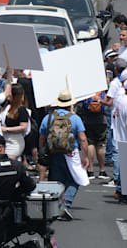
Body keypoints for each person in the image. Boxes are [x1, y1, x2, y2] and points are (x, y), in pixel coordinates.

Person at [39, 89, 89, 220]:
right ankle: (66, 204)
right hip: (71, 153)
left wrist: (42, 151)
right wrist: (85, 156)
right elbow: (82, 138)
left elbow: (42, 137)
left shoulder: (49, 117)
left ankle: (54, 208)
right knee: (76, 179)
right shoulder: (75, 118)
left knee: (56, 180)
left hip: (54, 152)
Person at [1, 84, 30, 159]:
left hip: (15, 142)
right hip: (5, 139)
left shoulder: (21, 109)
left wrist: (6, 129)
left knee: (9, 162)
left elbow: (24, 127)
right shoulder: (7, 106)